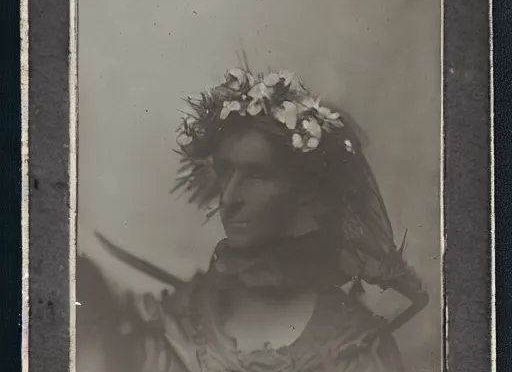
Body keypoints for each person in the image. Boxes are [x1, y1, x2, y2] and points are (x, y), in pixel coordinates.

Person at [83, 66, 429, 372]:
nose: (229, 198)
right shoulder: (172, 325)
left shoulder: (355, 347)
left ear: (304, 189)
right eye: (225, 172)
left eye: (256, 175)